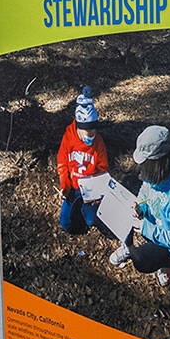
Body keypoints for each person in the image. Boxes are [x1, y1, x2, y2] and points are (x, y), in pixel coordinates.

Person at [109, 125, 170, 287]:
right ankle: (128, 246)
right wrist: (140, 207)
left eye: (145, 164)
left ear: (157, 163)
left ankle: (167, 265)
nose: (141, 168)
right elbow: (145, 194)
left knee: (141, 261)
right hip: (152, 229)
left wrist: (147, 228)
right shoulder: (152, 175)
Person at [56, 87, 110, 236]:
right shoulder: (68, 139)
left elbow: (103, 168)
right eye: (88, 134)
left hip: (91, 189)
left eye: (94, 132)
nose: (91, 137)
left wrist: (97, 192)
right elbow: (62, 165)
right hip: (73, 187)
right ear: (79, 128)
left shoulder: (98, 142)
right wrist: (64, 186)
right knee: (66, 223)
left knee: (92, 219)